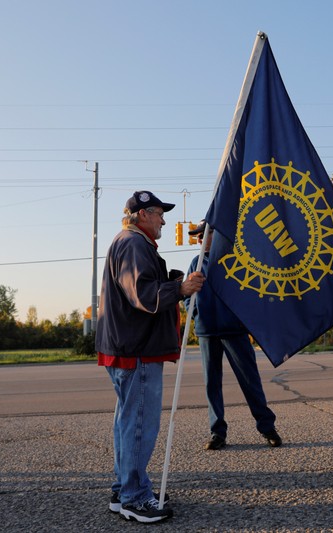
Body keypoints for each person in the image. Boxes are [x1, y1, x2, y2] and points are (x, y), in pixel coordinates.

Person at [96, 191, 205, 523]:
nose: (163, 220)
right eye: (159, 213)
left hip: (128, 347)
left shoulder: (131, 242)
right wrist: (181, 289)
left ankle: (125, 487)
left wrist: (171, 282)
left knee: (128, 422)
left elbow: (142, 286)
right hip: (137, 349)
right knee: (139, 424)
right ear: (142, 214)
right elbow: (143, 294)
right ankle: (134, 498)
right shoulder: (133, 244)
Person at [185, 220, 282, 451]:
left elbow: (250, 291)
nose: (199, 239)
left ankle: (267, 427)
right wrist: (195, 311)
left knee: (250, 381)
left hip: (235, 330)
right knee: (212, 384)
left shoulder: (234, 259)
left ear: (215, 236)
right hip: (207, 331)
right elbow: (188, 294)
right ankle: (217, 432)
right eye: (197, 236)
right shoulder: (195, 263)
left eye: (203, 235)